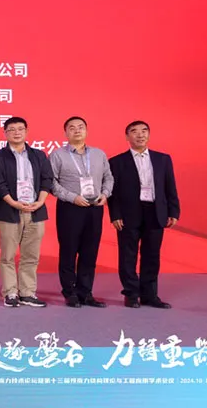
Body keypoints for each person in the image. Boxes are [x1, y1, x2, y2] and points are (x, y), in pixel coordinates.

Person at [108, 121, 180, 309]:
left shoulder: (162, 159)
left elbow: (170, 186)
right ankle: (131, 294)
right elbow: (113, 192)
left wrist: (173, 211)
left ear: (149, 134)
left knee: (152, 255)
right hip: (128, 214)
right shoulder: (116, 162)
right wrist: (115, 214)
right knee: (128, 255)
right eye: (134, 131)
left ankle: (150, 295)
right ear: (127, 137)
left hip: (155, 212)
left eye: (144, 131)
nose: (140, 135)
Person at [50, 116, 114, 308]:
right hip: (70, 208)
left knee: (89, 252)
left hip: (95, 208)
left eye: (80, 127)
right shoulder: (57, 155)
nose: (77, 130)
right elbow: (52, 183)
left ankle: (86, 293)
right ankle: (70, 292)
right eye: (72, 128)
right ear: (65, 132)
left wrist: (105, 194)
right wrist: (72, 197)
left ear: (86, 130)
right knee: (68, 251)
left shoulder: (98, 154)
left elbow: (108, 177)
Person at [0, 117, 53, 308]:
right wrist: (14, 203)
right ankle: (10, 292)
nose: (17, 132)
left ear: (26, 131)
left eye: (20, 129)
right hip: (9, 211)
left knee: (31, 255)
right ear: (5, 133)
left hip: (35, 210)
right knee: (8, 255)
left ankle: (27, 292)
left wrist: (40, 201)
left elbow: (47, 179)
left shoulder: (38, 155)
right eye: (12, 129)